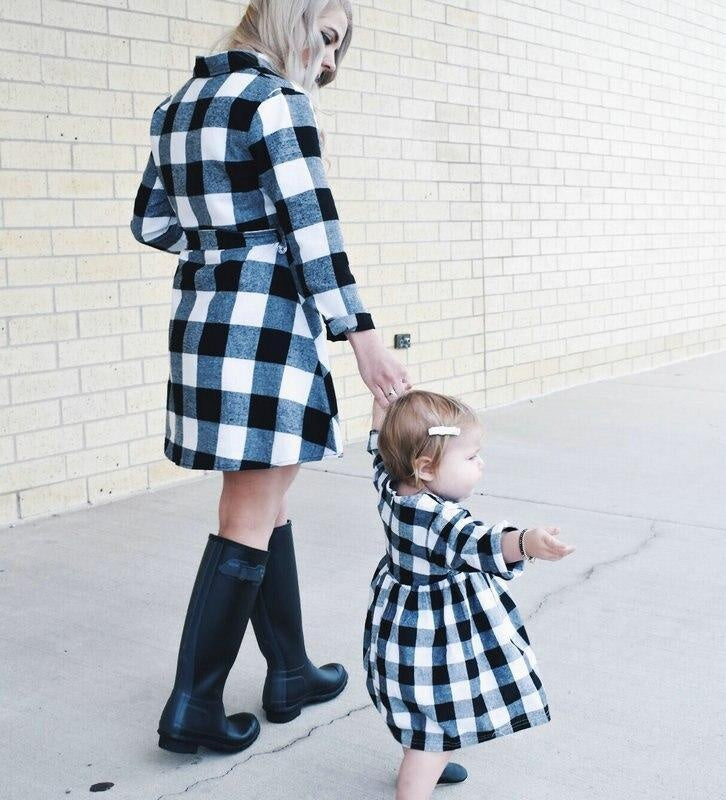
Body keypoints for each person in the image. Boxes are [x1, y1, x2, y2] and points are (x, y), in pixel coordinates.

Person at [130, 0, 411, 755]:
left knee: (267, 499)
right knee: (248, 515)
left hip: (203, 322)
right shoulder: (274, 103)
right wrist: (363, 338)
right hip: (263, 327)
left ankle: (289, 671)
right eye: (326, 39)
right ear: (292, 17)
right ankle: (192, 709)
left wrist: (224, 237)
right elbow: (312, 227)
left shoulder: (176, 105)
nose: (327, 63)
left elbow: (152, 223)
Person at [363, 390, 576, 800]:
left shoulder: (392, 485)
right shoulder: (438, 518)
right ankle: (417, 780)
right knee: (436, 725)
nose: (481, 463)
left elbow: (377, 451)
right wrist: (528, 542)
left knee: (424, 710)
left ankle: (424, 761)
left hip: (400, 627)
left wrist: (381, 415)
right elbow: (482, 542)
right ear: (425, 467)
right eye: (470, 457)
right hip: (435, 637)